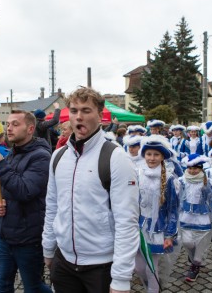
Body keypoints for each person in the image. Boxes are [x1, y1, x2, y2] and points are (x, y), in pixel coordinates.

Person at [42, 87, 139, 293]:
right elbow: (52, 206)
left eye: (86, 110)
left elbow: (127, 220)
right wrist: (48, 248)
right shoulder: (58, 156)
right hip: (64, 261)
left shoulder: (116, 157)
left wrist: (121, 278)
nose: (79, 116)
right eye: (75, 110)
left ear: (100, 115)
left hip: (101, 266)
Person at [0, 110, 52, 293]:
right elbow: (5, 190)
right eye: (8, 124)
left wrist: (1, 165)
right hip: (5, 236)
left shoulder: (41, 157)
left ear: (30, 128)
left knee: (33, 287)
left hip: (28, 237)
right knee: (2, 286)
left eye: (15, 124)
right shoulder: (11, 155)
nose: (9, 128)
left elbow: (25, 191)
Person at [135, 135, 180, 293]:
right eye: (149, 154)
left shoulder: (169, 179)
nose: (152, 158)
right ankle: (152, 286)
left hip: (157, 229)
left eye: (156, 155)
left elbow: (173, 209)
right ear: (144, 155)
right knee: (139, 267)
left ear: (162, 157)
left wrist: (169, 235)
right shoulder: (137, 173)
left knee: (150, 268)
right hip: (138, 226)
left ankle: (153, 290)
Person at [179, 154, 212, 282]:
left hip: (203, 217)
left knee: (201, 242)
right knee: (187, 242)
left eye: (196, 168)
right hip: (186, 216)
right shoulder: (181, 181)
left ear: (201, 168)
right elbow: (176, 199)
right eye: (190, 168)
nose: (192, 170)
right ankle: (193, 257)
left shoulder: (208, 183)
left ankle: (195, 265)